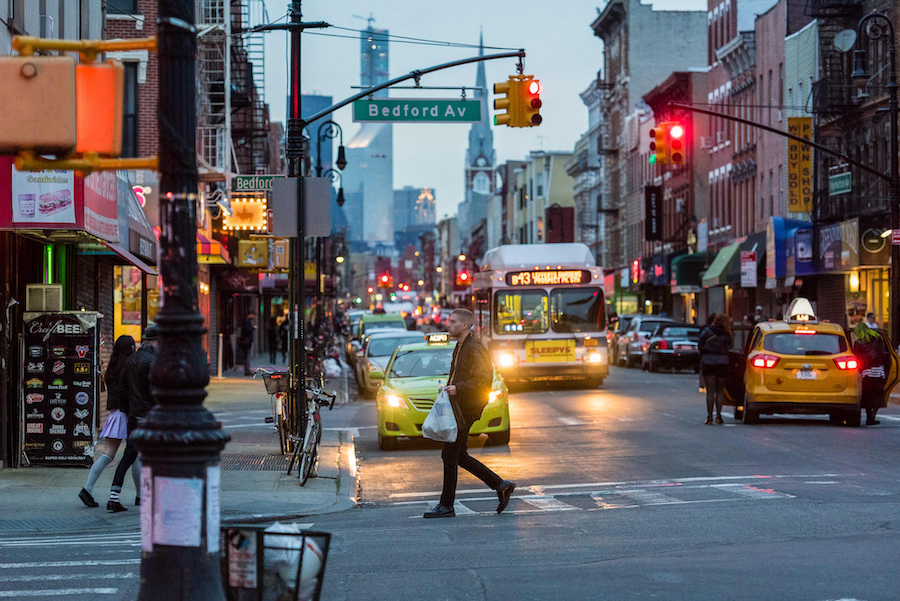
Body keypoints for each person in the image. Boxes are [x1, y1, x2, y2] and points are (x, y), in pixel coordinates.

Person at [424, 308, 516, 518]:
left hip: (467, 407)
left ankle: (446, 506)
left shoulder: (475, 348)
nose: (449, 324)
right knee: (458, 454)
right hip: (459, 406)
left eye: (453, 322)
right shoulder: (461, 346)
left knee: (450, 454)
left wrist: (458, 388)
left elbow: (484, 380)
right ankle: (501, 485)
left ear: (465, 325)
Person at [78, 335, 135, 508]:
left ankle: (87, 489)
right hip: (126, 414)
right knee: (135, 456)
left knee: (107, 455)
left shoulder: (111, 367)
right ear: (130, 348)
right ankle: (141, 496)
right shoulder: (128, 367)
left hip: (114, 414)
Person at [107, 325, 159, 512]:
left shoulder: (130, 360)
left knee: (128, 456)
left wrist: (128, 409)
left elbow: (121, 389)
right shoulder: (154, 361)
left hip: (134, 416)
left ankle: (114, 497)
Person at [698, 314, 733, 425]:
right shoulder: (727, 334)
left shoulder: (707, 331)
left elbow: (700, 345)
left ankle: (709, 417)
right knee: (720, 391)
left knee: (710, 391)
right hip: (722, 363)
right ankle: (719, 416)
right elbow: (730, 347)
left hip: (709, 362)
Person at [853, 322, 888, 426]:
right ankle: (872, 416)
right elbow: (883, 352)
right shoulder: (878, 338)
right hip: (878, 369)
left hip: (866, 371)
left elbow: (856, 356)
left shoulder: (858, 342)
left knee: (867, 395)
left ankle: (869, 416)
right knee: (878, 395)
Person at [698, 313, 716, 394]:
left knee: (704, 368)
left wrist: (702, 349)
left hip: (706, 352)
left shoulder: (705, 329)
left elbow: (701, 341)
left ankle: (703, 385)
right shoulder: (722, 330)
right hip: (718, 353)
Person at [239, 311, 256, 376]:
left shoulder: (246, 321)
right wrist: (253, 328)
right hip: (247, 341)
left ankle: (247, 370)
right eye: (253, 315)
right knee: (247, 356)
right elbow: (247, 330)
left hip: (246, 340)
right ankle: (247, 370)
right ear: (251, 314)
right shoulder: (247, 321)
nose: (254, 317)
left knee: (246, 356)